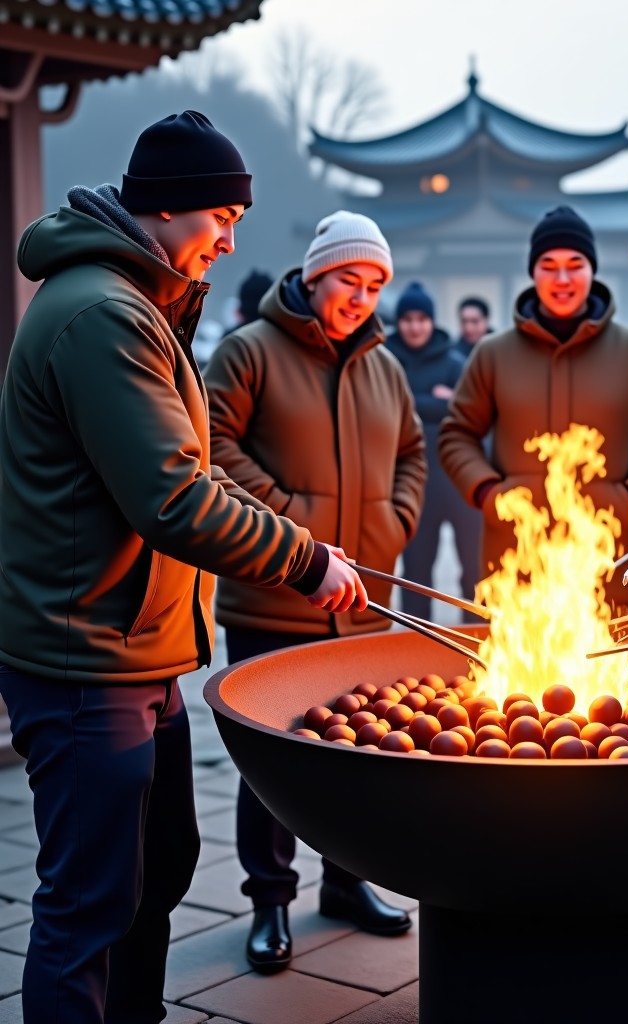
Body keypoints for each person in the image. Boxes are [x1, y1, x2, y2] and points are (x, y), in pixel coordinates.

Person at [0, 110, 367, 1024]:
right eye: (218, 217)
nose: (231, 237)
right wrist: (303, 559)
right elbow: (173, 498)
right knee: (88, 901)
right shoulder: (100, 316)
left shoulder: (144, 304)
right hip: (85, 655)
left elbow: (186, 471)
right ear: (163, 213)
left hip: (141, 648)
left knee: (155, 872)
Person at [204, 211, 427, 972]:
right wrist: (292, 526)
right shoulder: (249, 353)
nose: (360, 297)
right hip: (274, 594)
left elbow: (413, 452)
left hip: (360, 597)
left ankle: (346, 883)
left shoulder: (384, 366)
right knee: (277, 761)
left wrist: (394, 521)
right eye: (347, 280)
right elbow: (210, 446)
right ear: (312, 275)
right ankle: (270, 899)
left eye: (373, 285)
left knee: (360, 750)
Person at [439, 205, 628, 615]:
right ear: (533, 273)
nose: (562, 279)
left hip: (608, 561)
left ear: (593, 270)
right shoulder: (493, 355)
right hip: (516, 561)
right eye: (549, 265)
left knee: (613, 679)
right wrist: (487, 493)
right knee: (515, 679)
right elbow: (457, 434)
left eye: (575, 265)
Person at [386, 282, 482, 620]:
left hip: (457, 482)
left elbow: (469, 413)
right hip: (412, 482)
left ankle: (478, 640)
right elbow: (387, 411)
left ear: (432, 321)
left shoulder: (454, 363)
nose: (415, 326)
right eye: (408, 319)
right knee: (415, 572)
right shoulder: (386, 360)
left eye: (422, 319)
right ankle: (416, 638)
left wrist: (435, 402)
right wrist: (435, 401)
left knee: (475, 569)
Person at [453, 295, 492, 360]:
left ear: (486, 321)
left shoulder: (501, 351)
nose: (468, 328)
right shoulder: (452, 355)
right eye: (464, 321)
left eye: (474, 321)